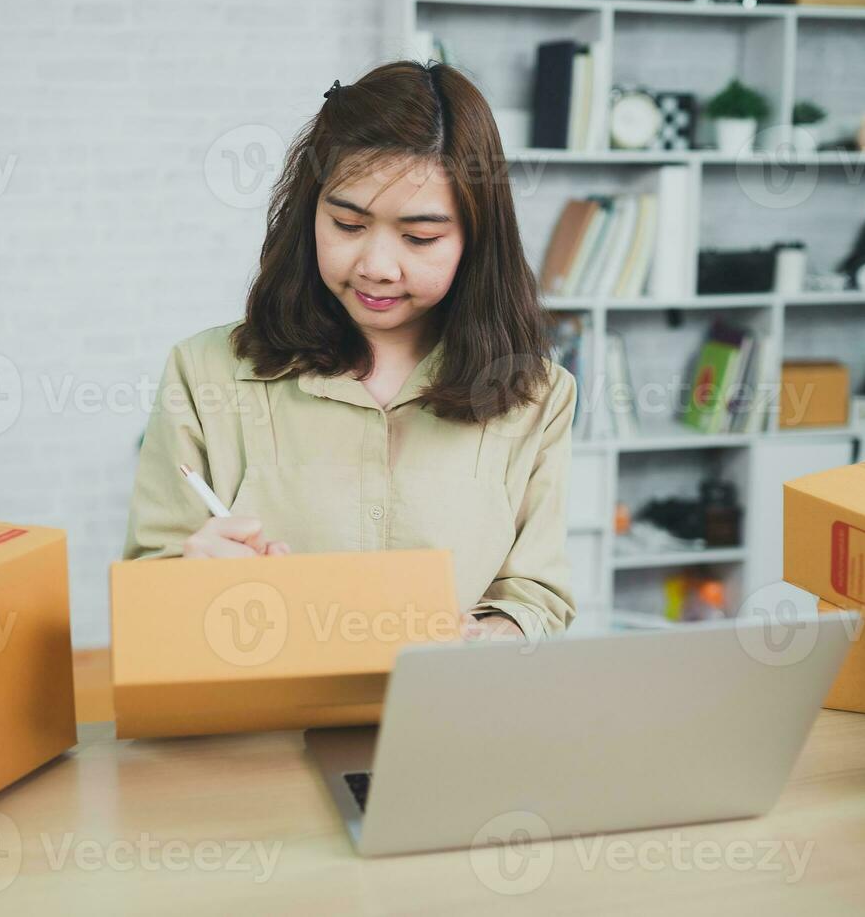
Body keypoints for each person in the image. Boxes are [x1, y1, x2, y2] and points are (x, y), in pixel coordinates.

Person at [122, 60, 577, 640]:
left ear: (475, 239)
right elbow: (147, 597)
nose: (376, 268)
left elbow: (536, 594)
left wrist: (491, 636)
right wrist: (190, 578)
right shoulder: (203, 373)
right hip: (264, 721)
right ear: (310, 212)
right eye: (347, 224)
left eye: (420, 238)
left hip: (445, 716)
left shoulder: (536, 394)